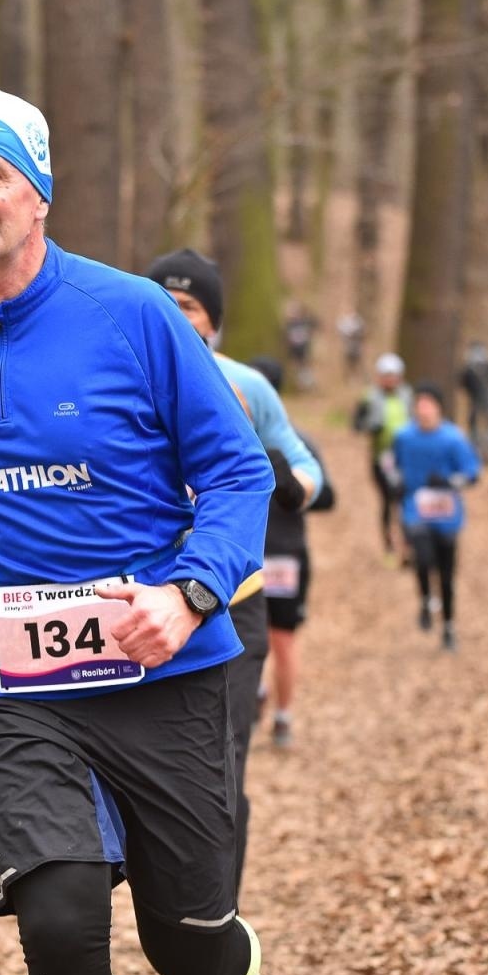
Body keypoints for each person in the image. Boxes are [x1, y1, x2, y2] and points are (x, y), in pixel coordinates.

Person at [0, 89, 276, 975]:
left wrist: (189, 596)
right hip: (11, 685)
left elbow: (237, 472)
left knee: (187, 939)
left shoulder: (134, 315)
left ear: (39, 192)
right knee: (59, 927)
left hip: (162, 671)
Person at [146, 248, 322, 886]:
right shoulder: (113, 376)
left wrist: (282, 476)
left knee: (221, 767)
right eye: (161, 303)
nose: (173, 316)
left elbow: (310, 471)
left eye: (188, 306)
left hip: (229, 601)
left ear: (212, 321)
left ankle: (218, 922)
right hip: (136, 607)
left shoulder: (248, 386)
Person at [245, 357, 335, 749]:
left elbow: (328, 497)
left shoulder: (297, 443)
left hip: (284, 553)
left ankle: (282, 716)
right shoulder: (226, 435)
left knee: (281, 639)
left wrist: (291, 488)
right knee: (248, 637)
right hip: (244, 554)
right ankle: (256, 697)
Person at [390, 382, 481, 652]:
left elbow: (473, 473)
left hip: (447, 514)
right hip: (415, 509)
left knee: (446, 573)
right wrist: (394, 480)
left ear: (439, 408)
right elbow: (391, 463)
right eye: (419, 404)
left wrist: (450, 482)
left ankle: (449, 627)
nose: (423, 410)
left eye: (428, 404)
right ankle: (426, 600)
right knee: (422, 556)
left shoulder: (454, 438)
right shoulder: (404, 437)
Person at [351, 353, 413, 561]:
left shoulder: (408, 396)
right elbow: (356, 425)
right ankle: (388, 545)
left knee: (405, 501)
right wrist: (371, 426)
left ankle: (407, 546)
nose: (390, 380)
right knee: (388, 501)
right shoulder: (370, 397)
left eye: (394, 376)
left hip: (405, 458)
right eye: (386, 376)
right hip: (381, 459)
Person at [458, 341, 488, 465]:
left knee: (487, 430)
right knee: (479, 430)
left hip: (487, 402)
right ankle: (478, 454)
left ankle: (486, 454)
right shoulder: (471, 368)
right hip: (478, 403)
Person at [336, 311, 365, 381]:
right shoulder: (345, 324)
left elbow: (362, 334)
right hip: (349, 348)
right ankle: (347, 377)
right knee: (348, 363)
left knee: (356, 363)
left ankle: (355, 377)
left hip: (356, 348)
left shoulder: (359, 324)